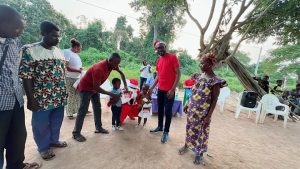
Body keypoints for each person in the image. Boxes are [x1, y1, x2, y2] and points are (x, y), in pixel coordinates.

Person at [0, 5, 41, 169]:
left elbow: (20, 70)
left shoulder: (14, 42)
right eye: (17, 27)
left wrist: (28, 98)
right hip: (1, 104)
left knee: (18, 137)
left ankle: (17, 165)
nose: (21, 30)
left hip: (16, 100)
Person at [20, 21, 68, 161]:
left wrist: (65, 92)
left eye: (58, 36)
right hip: (41, 98)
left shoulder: (58, 51)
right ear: (43, 34)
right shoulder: (29, 50)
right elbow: (26, 76)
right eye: (54, 36)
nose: (57, 39)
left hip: (59, 96)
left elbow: (61, 73)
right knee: (40, 125)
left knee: (56, 122)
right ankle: (43, 147)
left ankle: (54, 141)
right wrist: (30, 99)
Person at [178, 53, 226, 165]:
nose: (200, 65)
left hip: (203, 113)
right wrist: (187, 104)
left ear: (209, 64)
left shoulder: (216, 81)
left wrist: (209, 116)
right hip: (192, 110)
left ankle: (198, 154)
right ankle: (186, 146)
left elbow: (214, 100)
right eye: (200, 62)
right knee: (189, 128)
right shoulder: (200, 76)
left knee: (201, 133)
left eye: (203, 63)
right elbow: (194, 91)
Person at [72, 53, 127, 142]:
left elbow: (122, 74)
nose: (117, 66)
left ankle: (98, 128)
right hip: (86, 88)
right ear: (110, 61)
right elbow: (96, 87)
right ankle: (76, 133)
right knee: (83, 110)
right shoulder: (99, 68)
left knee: (97, 107)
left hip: (94, 88)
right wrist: (112, 94)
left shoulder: (112, 65)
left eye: (118, 64)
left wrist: (126, 87)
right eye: (116, 64)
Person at [148, 40, 181, 143]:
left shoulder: (172, 57)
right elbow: (158, 75)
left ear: (165, 47)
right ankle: (159, 127)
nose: (160, 49)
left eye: (162, 47)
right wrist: (152, 87)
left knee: (168, 111)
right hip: (160, 90)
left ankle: (166, 132)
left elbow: (178, 74)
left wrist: (172, 89)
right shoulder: (158, 60)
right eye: (158, 48)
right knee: (160, 109)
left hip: (169, 91)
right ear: (156, 50)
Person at [64, 38, 83, 119]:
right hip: (70, 77)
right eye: (79, 48)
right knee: (71, 95)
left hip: (77, 77)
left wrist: (80, 70)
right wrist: (77, 70)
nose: (80, 50)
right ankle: (69, 112)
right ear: (75, 47)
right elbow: (66, 67)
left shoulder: (75, 54)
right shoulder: (67, 52)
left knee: (77, 95)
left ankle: (77, 109)